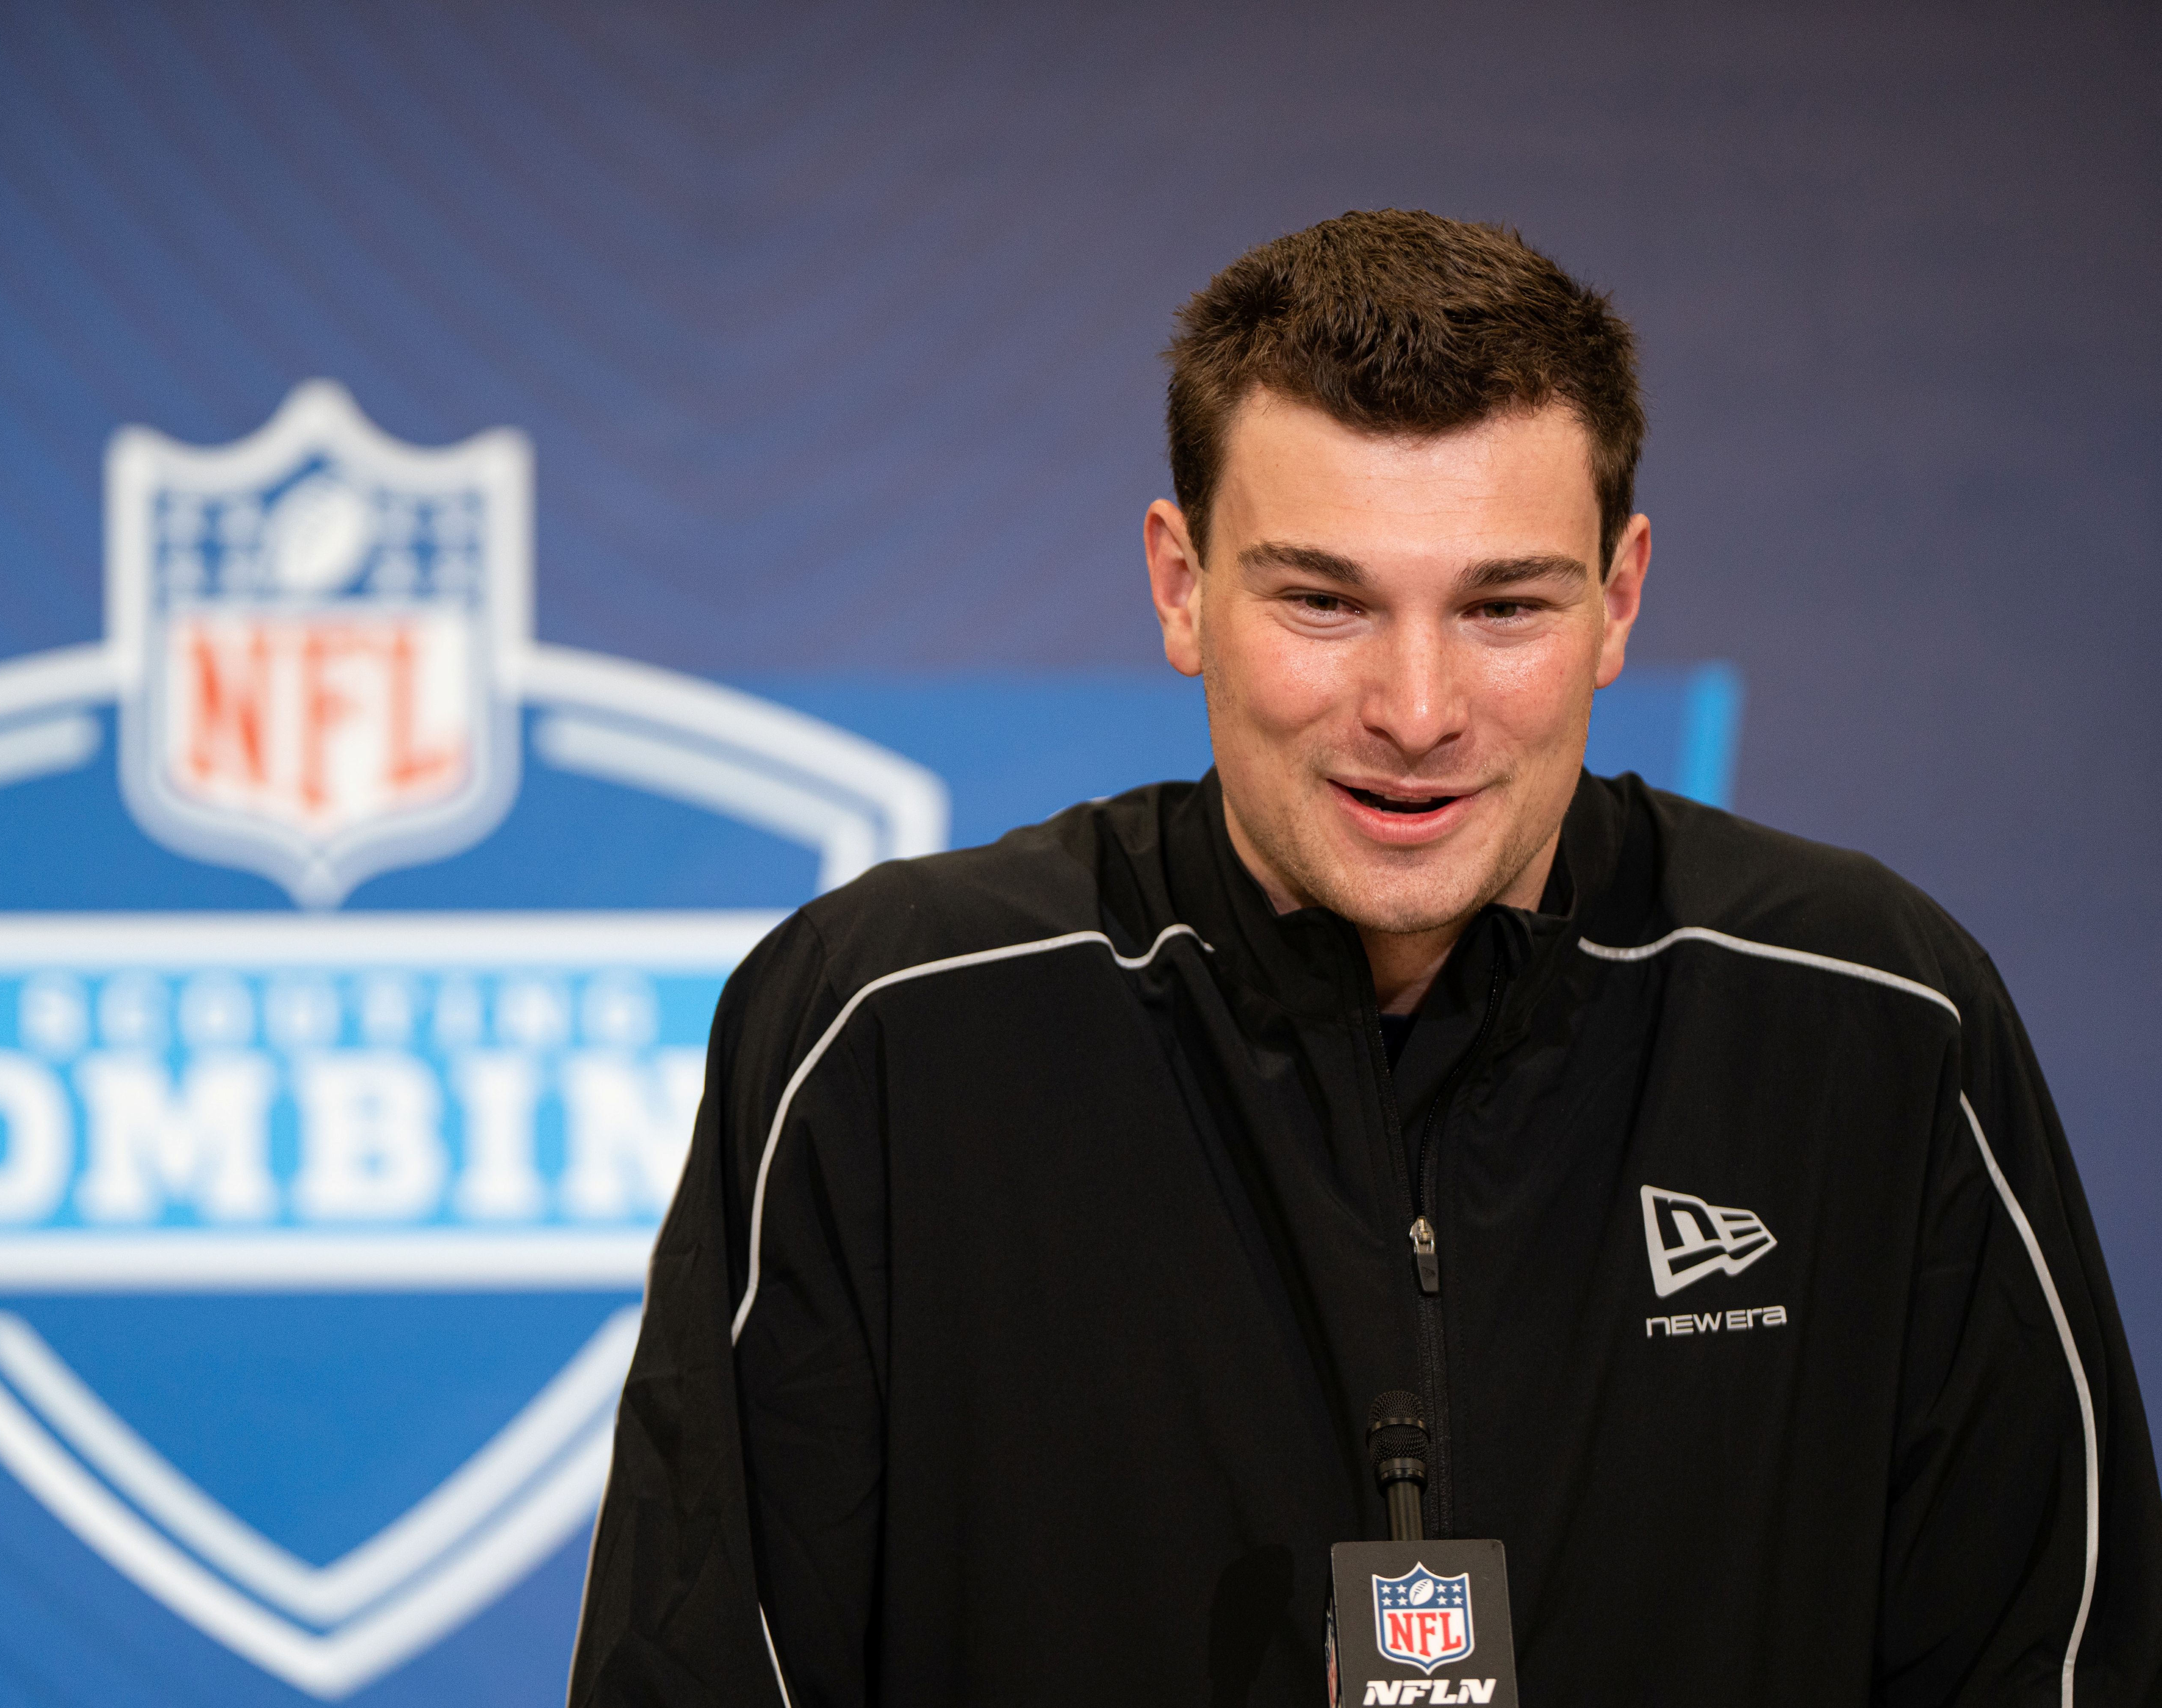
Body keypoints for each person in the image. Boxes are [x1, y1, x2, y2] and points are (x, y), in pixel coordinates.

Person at [567, 210, 2159, 1705]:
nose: (1415, 710)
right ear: (1181, 586)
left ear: (1620, 601)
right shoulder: (889, 1033)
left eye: (1504, 606)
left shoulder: (1873, 1022)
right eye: (1324, 599)